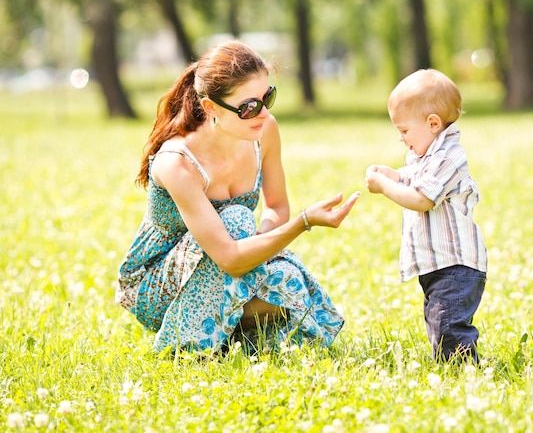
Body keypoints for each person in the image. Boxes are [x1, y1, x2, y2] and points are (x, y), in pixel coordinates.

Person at [116, 40, 360, 354]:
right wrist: (304, 222)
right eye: (248, 106)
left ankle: (229, 342)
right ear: (211, 107)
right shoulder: (178, 163)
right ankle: (185, 343)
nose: (262, 113)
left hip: (227, 264)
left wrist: (256, 248)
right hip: (156, 286)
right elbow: (230, 258)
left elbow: (276, 206)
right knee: (235, 218)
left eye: (267, 97)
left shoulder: (264, 130)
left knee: (286, 280)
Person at [364, 69, 487, 363]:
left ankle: (463, 371)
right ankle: (452, 366)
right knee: (437, 320)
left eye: (404, 130)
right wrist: (393, 175)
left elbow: (421, 199)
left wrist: (384, 186)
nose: (400, 138)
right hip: (436, 264)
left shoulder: (449, 156)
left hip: (456, 265)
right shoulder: (426, 155)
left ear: (433, 123)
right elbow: (414, 181)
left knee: (448, 324)